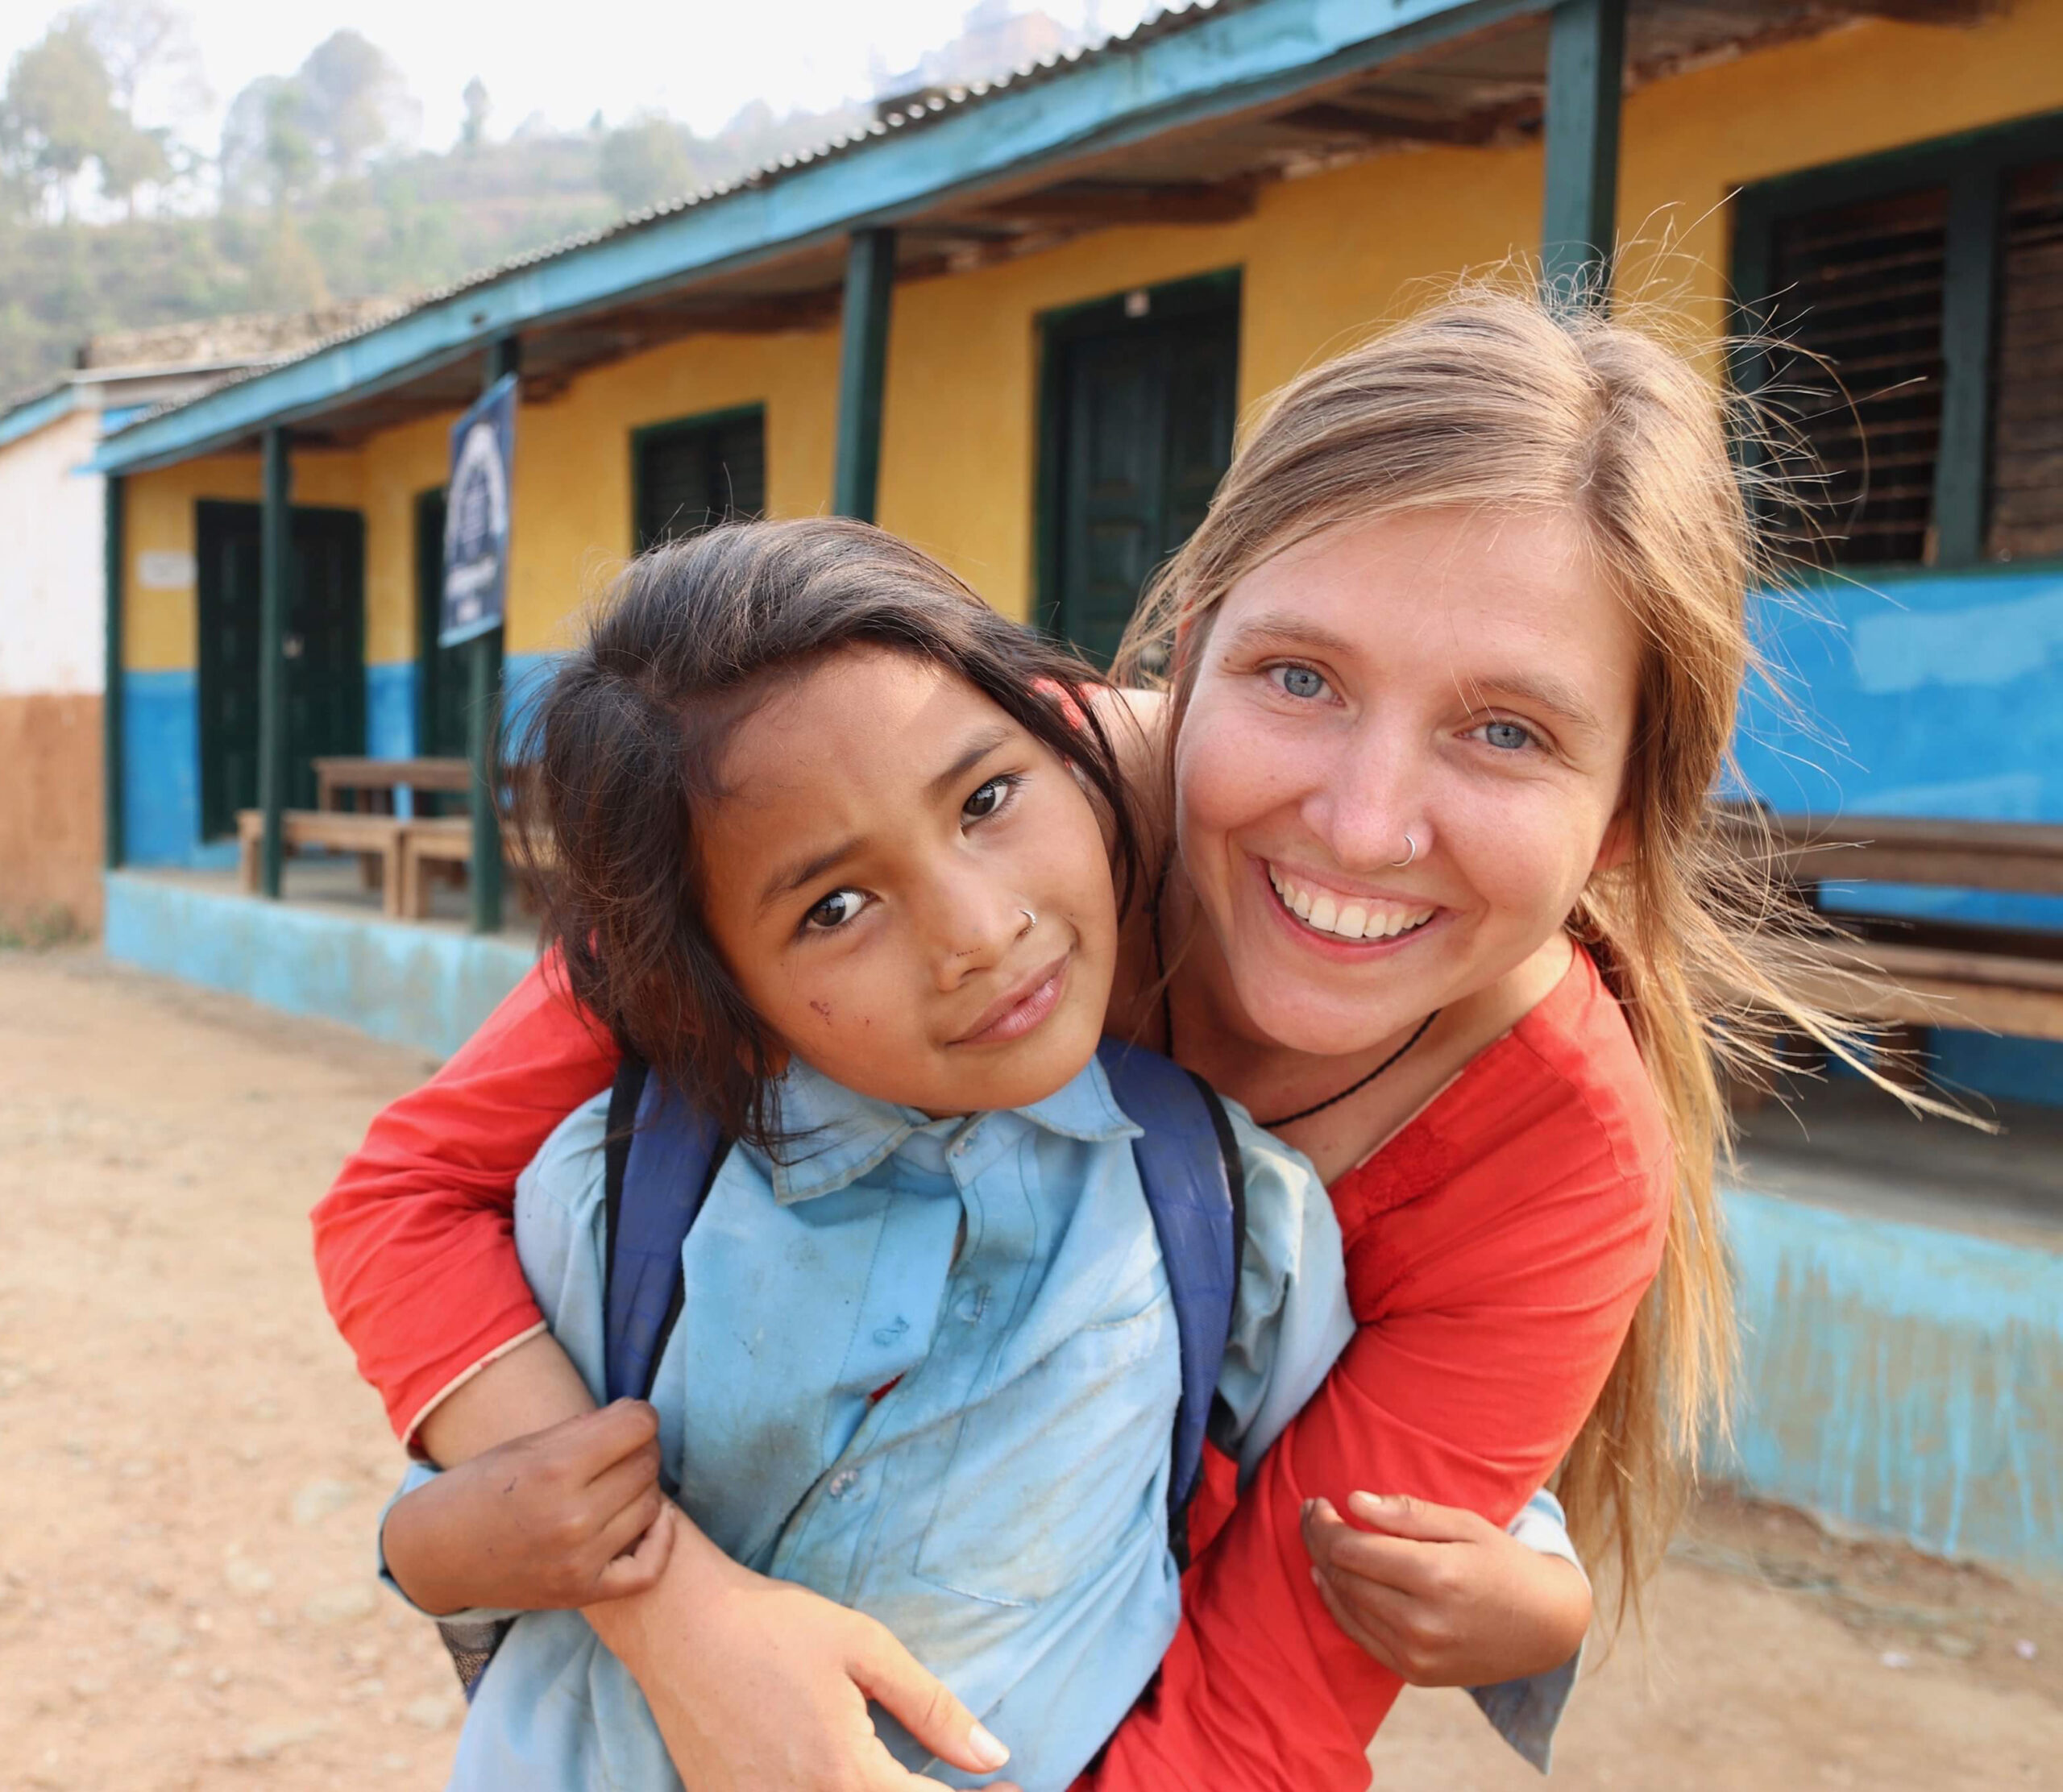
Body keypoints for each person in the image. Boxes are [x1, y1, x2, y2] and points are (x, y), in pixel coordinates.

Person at [320, 286, 1833, 1789]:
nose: (1365, 824)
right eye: (1297, 677)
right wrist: (681, 1617)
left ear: (1629, 815)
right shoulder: (904, 786)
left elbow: (1257, 1718)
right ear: (1192, 640)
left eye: (1508, 731)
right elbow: (407, 1203)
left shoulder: (1555, 1158)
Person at [384, 518, 1577, 1792]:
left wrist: (1543, 1606)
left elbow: (1398, 1506)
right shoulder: (618, 1192)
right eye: (835, 908)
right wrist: (463, 1542)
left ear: (1074, 752)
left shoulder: (1220, 1204)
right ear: (712, 982)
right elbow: (451, 1529)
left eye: (986, 801)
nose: (975, 930)